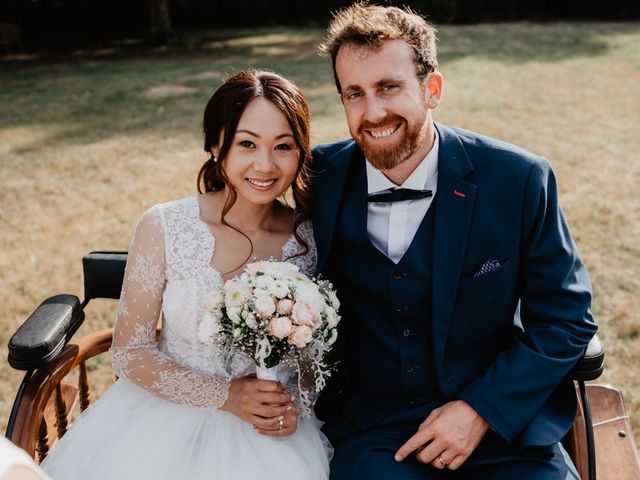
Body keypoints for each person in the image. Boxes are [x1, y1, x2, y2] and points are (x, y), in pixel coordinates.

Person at [311, 3, 597, 479]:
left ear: (432, 89)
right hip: (377, 434)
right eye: (353, 94)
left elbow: (565, 321)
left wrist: (479, 409)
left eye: (389, 87)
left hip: (503, 428)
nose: (372, 112)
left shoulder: (518, 179)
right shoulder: (318, 178)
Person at [41, 70, 331, 479]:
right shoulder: (164, 226)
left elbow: (312, 360)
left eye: (283, 146)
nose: (265, 165)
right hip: (162, 423)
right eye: (246, 143)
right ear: (216, 145)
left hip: (274, 436)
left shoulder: (311, 237)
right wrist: (226, 397)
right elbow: (129, 354)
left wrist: (292, 406)